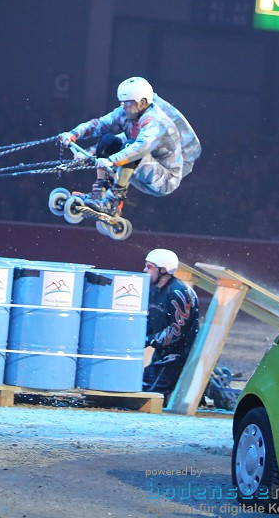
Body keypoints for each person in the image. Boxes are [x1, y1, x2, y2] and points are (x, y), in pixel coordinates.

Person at [59, 76, 200, 218]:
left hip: (165, 179)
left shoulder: (157, 122)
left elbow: (140, 148)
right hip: (141, 167)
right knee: (108, 140)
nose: (123, 106)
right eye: (122, 102)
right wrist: (74, 134)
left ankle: (113, 201)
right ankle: (100, 191)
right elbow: (101, 124)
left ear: (142, 103)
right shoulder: (127, 113)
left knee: (130, 148)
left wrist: (111, 160)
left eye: (127, 103)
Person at [142, 248, 201, 399]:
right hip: (162, 354)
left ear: (163, 269)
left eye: (149, 266)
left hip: (177, 356)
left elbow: (176, 332)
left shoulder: (179, 292)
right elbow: (151, 321)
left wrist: (148, 340)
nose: (144, 270)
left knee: (148, 394)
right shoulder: (155, 290)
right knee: (140, 386)